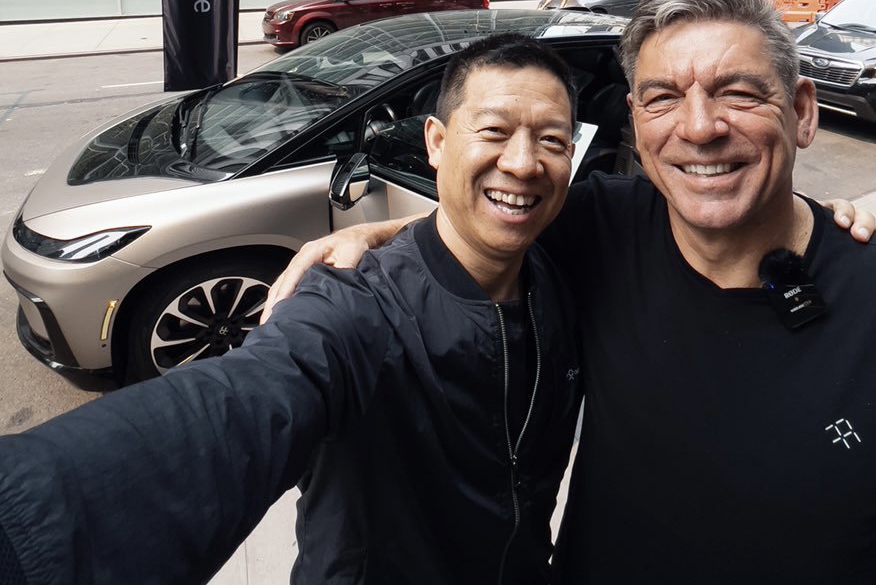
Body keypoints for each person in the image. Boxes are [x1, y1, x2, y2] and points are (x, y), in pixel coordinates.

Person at [264, 0, 876, 585]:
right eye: (663, 97)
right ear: (635, 121)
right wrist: (376, 234)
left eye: (738, 93)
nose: (698, 127)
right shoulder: (603, 225)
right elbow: (492, 217)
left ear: (801, 110)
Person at [0, 35, 584, 585]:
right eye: (493, 131)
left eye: (552, 141)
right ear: (436, 141)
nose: (524, 163)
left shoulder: (568, 263)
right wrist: (26, 534)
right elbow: (246, 400)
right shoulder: (356, 307)